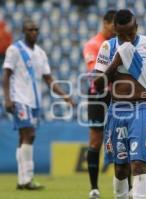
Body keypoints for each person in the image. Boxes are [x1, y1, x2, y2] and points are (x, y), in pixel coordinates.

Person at [94, 9, 146, 199]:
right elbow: (97, 85)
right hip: (117, 110)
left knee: (138, 163)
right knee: (120, 168)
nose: (127, 38)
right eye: (122, 34)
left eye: (131, 32)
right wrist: (116, 62)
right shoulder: (108, 47)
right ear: (114, 30)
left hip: (143, 108)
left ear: (136, 26)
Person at [2, 19, 74, 190]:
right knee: (30, 134)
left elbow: (48, 79)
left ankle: (22, 180)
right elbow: (6, 75)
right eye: (30, 29)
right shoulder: (15, 50)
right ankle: (27, 177)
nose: (34, 32)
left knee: (24, 137)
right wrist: (7, 98)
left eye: (36, 29)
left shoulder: (41, 53)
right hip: (19, 98)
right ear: (23, 31)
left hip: (35, 101)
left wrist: (65, 95)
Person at [82, 10, 116, 199]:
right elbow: (95, 75)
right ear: (105, 23)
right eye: (114, 26)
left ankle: (126, 188)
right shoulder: (93, 45)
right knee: (96, 140)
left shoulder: (118, 44)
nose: (116, 29)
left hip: (118, 96)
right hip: (98, 97)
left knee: (121, 139)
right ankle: (94, 188)